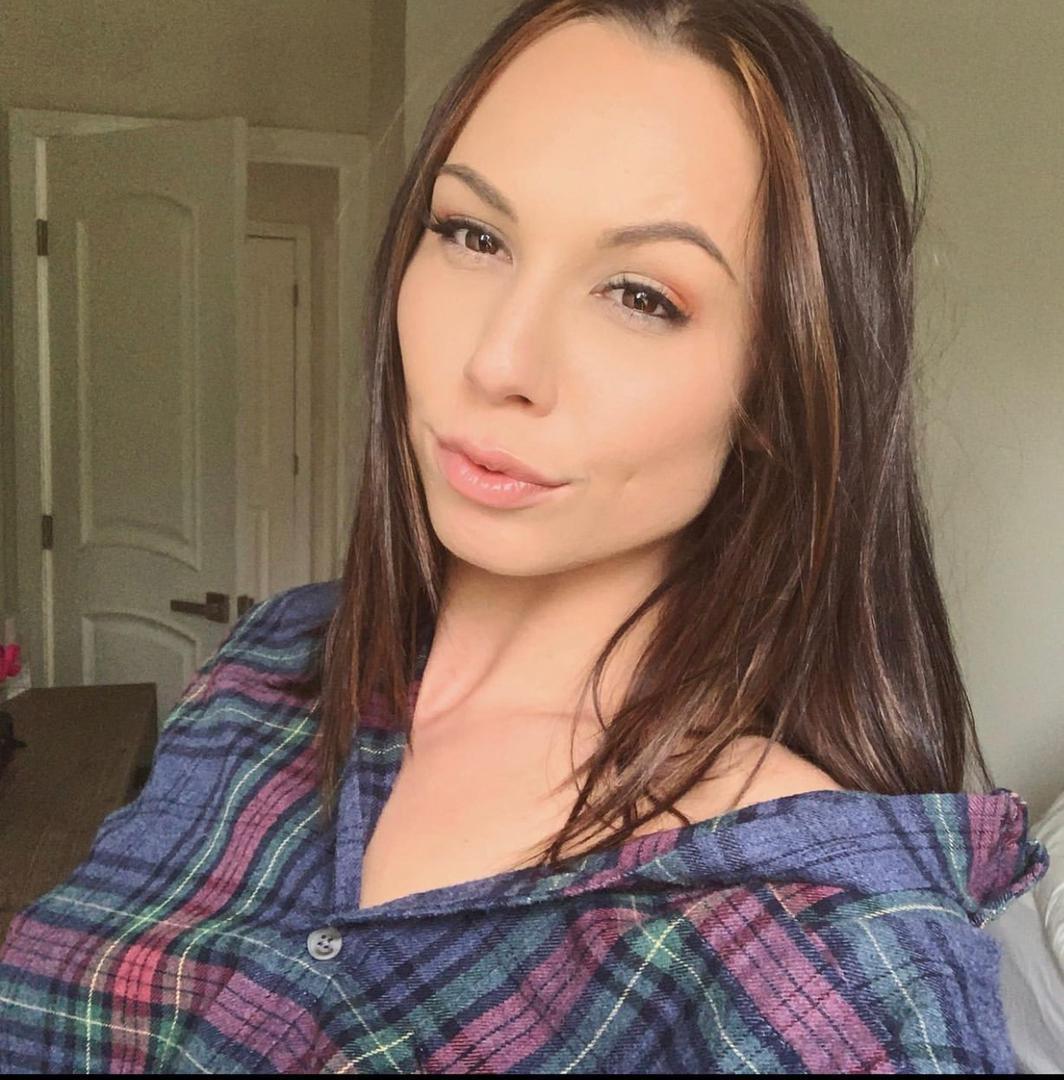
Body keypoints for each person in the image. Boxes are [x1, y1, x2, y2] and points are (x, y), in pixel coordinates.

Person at [0, 0, 1049, 1072]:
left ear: (778, 391)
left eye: (640, 295)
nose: (498, 360)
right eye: (474, 235)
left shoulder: (836, 965)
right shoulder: (270, 663)